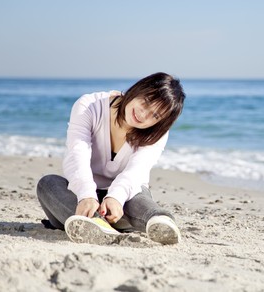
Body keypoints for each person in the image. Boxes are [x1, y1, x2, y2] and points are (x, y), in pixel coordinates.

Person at [36, 72, 185, 245]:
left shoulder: (157, 133)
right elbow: (77, 154)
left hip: (121, 207)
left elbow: (136, 171)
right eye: (146, 102)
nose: (144, 115)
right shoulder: (89, 105)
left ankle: (159, 221)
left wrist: (115, 197)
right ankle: (95, 223)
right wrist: (86, 195)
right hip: (81, 200)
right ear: (138, 89)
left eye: (156, 116)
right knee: (48, 184)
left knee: (138, 195)